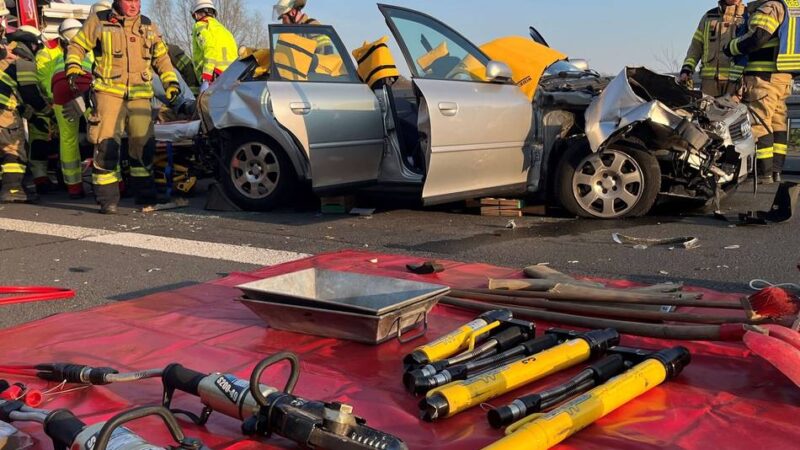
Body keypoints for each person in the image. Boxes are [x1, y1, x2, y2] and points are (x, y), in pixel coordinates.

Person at [66, 0, 181, 213]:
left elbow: (162, 57)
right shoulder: (99, 21)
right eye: (129, 0)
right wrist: (73, 67)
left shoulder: (148, 26)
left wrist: (170, 82)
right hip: (109, 93)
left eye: (137, 1)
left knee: (143, 145)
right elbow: (77, 46)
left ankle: (145, 195)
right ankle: (107, 199)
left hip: (139, 95)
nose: (134, 5)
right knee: (107, 145)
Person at [726, 0, 795, 184]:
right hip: (783, 77)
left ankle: (762, 173)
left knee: (759, 122)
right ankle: (775, 172)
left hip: (763, 77)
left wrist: (731, 47)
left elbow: (758, 37)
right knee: (777, 123)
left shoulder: (770, 7)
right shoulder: (791, 7)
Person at [36, 19, 95, 198]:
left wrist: (53, 101)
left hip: (59, 89)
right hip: (84, 86)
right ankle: (116, 184)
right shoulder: (89, 49)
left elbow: (45, 80)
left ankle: (74, 188)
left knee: (68, 140)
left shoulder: (52, 55)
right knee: (101, 134)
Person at [0, 27, 49, 203]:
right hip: (3, 110)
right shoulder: (23, 60)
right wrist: (47, 112)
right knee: (13, 150)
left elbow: (19, 100)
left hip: (6, 106)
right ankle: (12, 190)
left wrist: (33, 118)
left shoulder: (5, 56)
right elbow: (30, 94)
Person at [680, 1, 746, 97]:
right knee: (706, 111)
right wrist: (687, 69)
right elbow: (696, 46)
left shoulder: (747, 16)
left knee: (735, 112)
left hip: (736, 84)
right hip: (709, 85)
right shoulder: (708, 17)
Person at [191, 0, 238, 93]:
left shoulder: (200, 26)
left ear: (197, 14)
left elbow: (210, 49)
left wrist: (206, 78)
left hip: (215, 76)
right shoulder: (224, 30)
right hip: (231, 76)